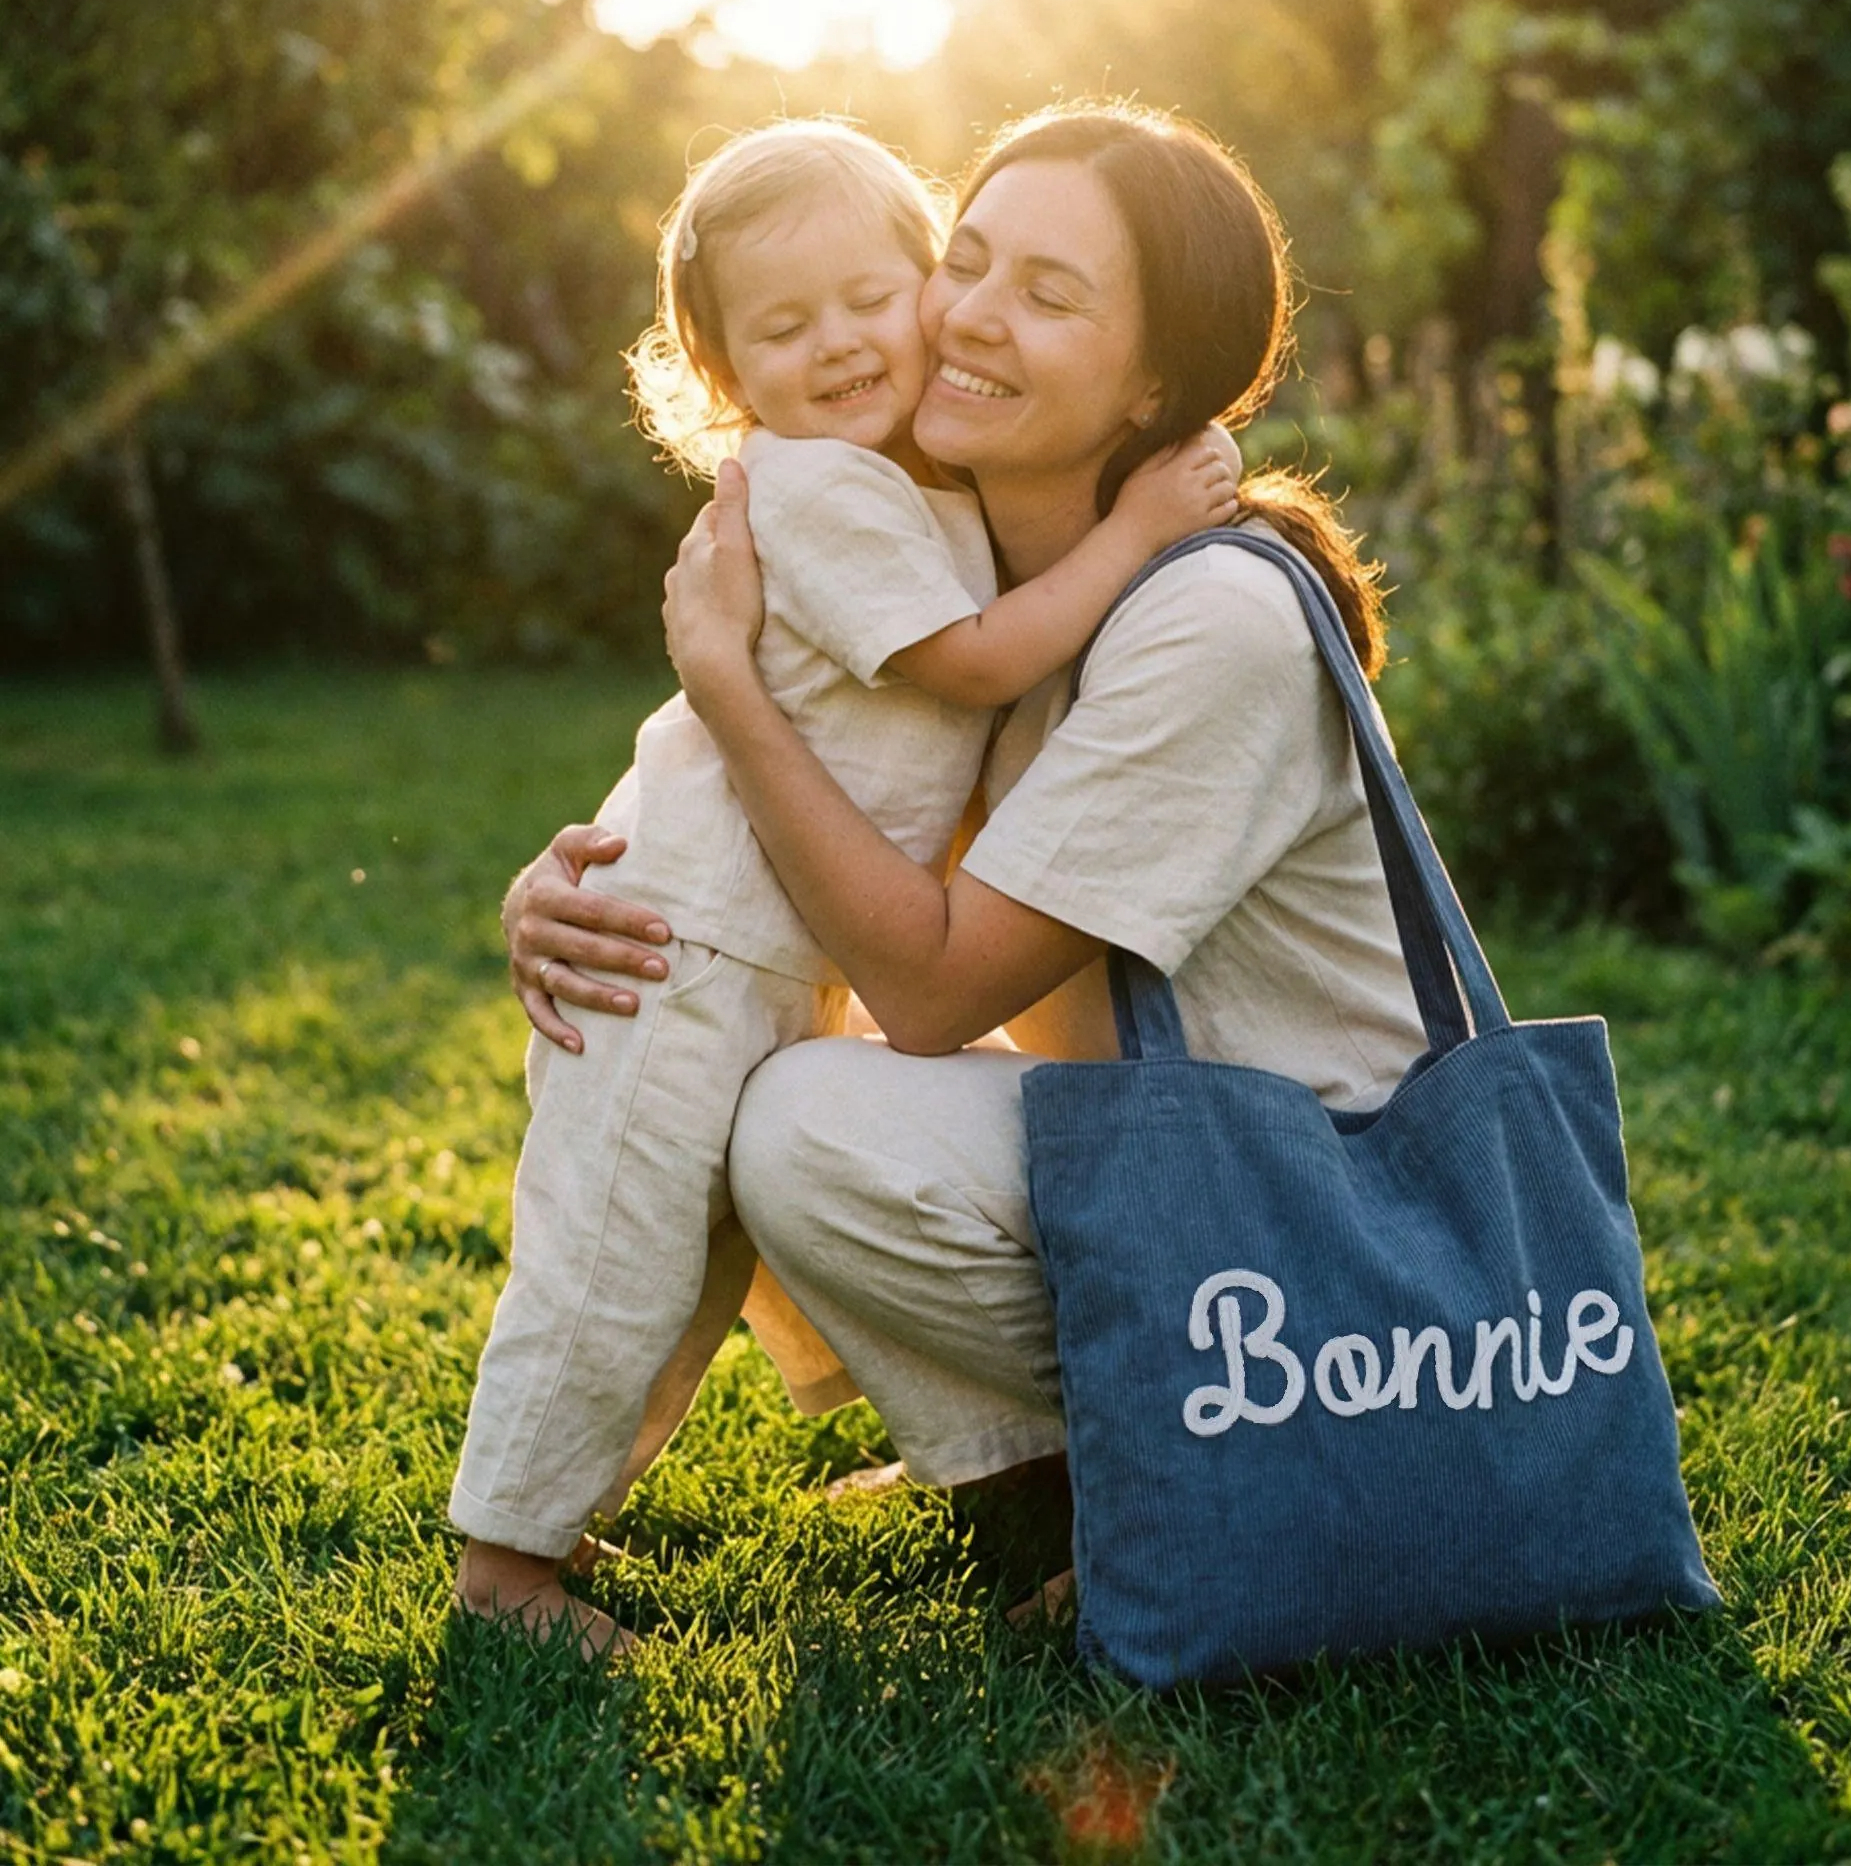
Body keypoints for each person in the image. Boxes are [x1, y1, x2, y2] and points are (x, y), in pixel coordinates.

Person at [501, 101, 1429, 1613]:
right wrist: (596, 892)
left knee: (808, 1121)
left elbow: (924, 988)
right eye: (971, 261)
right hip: (1170, 1153)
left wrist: (729, 687)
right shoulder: (960, 577)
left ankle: (1227, 1468)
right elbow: (833, 886)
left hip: (1327, 1243)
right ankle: (1042, 1471)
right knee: (750, 1066)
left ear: (1156, 378)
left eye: (1049, 295)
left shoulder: (1205, 618)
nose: (973, 318)